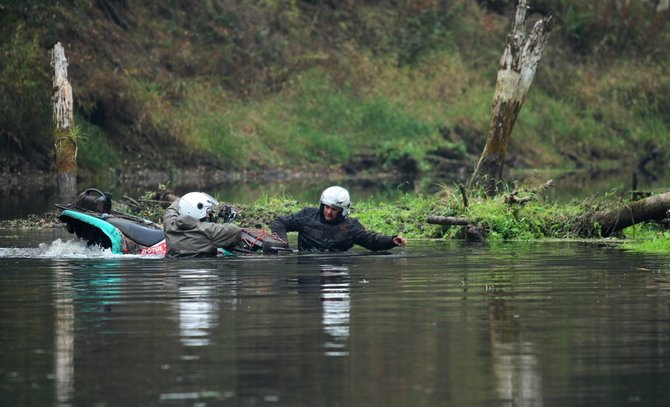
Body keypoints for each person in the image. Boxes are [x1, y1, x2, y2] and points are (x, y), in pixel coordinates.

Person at [271, 186, 407, 252]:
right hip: (306, 267)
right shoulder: (307, 215)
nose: (329, 212)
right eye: (327, 207)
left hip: (337, 265)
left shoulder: (351, 227)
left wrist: (391, 240)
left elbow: (372, 241)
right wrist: (282, 243)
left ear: (343, 211)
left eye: (334, 209)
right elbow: (279, 222)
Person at [163, 192, 242, 258]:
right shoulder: (206, 230)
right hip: (201, 272)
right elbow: (235, 231)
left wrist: (186, 200)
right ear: (197, 211)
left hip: (175, 273)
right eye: (207, 212)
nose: (208, 215)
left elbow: (171, 209)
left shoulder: (170, 224)